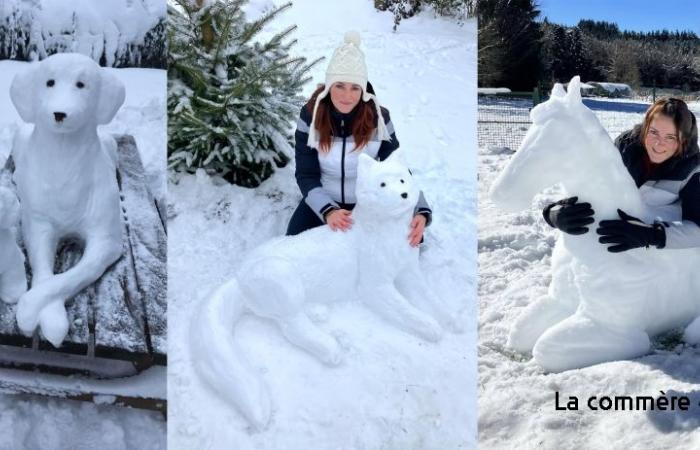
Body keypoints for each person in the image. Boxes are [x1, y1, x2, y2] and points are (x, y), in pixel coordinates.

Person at [287, 31, 432, 246]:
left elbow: (398, 169)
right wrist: (328, 210)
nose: (347, 96)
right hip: (326, 197)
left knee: (409, 243)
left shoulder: (379, 118)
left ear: (363, 90)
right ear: (328, 87)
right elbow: (306, 173)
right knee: (293, 243)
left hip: (370, 200)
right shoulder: (310, 116)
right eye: (339, 86)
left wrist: (419, 210)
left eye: (355, 88)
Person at [543, 97, 700, 252]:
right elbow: (592, 183)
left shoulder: (692, 168)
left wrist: (651, 234)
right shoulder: (624, 148)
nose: (659, 143)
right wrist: (552, 213)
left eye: (670, 137)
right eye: (653, 132)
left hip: (660, 258)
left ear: (683, 140)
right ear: (645, 128)